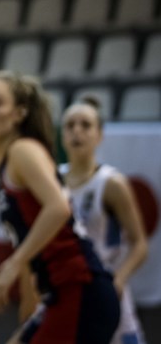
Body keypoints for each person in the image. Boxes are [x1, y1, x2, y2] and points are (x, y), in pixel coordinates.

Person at [0, 70, 120, 344]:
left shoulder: (22, 151)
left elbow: (58, 208)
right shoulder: (5, 166)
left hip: (80, 288)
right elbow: (34, 237)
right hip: (59, 292)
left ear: (19, 113)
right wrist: (31, 297)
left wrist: (12, 266)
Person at [60, 95, 149, 344]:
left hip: (104, 286)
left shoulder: (112, 183)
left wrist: (117, 281)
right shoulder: (52, 180)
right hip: (66, 289)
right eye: (70, 125)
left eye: (85, 125)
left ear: (99, 135)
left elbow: (140, 244)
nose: (77, 131)